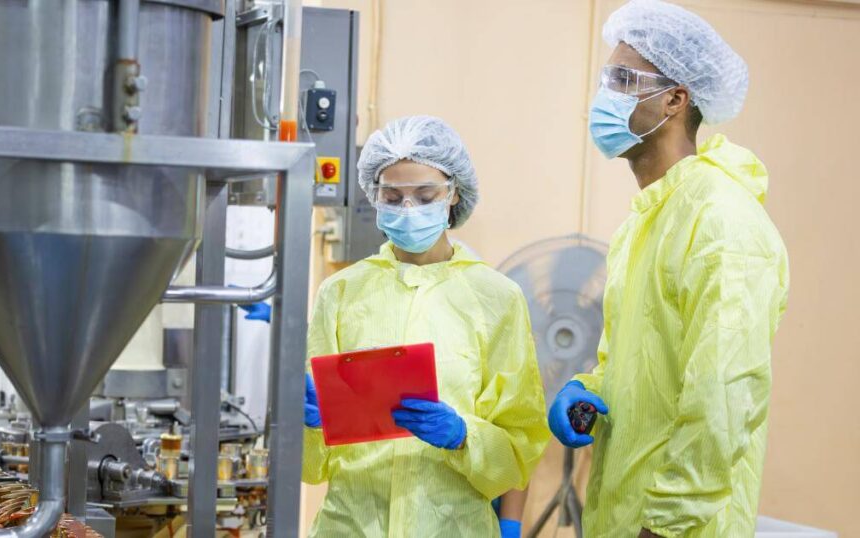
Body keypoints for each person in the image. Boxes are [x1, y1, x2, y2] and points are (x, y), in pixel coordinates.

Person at [547, 1, 790, 537]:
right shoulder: (644, 224)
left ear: (675, 99)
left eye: (623, 78)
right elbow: (642, 366)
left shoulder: (722, 221)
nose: (604, 94)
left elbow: (723, 395)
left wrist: (666, 527)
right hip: (624, 517)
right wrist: (590, 387)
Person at [302, 115, 549, 537]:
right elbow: (311, 468)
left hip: (452, 526)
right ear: (374, 197)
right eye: (393, 196)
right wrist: (306, 426)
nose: (408, 208)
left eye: (425, 194)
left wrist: (463, 437)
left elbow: (520, 447)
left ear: (452, 194)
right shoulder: (341, 293)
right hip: (351, 526)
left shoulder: (495, 298)